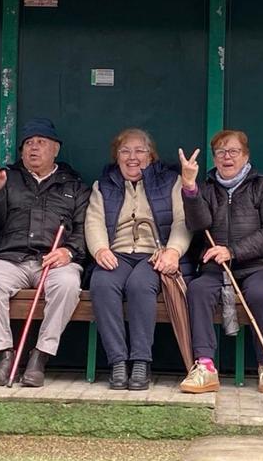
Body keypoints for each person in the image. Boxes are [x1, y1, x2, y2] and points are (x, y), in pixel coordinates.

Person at [0, 118, 89, 388]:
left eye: (41, 142)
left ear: (56, 149)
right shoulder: (7, 178)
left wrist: (69, 252)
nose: (33, 148)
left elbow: (85, 229)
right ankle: (4, 356)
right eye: (28, 143)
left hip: (53, 260)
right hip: (10, 257)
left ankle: (40, 357)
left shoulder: (74, 185)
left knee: (68, 285)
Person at [177, 130, 263, 394]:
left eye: (233, 151)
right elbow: (198, 224)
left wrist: (233, 250)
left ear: (246, 155)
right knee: (199, 290)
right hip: (217, 268)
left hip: (262, 266)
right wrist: (190, 188)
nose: (227, 157)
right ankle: (204, 366)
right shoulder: (206, 187)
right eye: (220, 152)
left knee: (259, 294)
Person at [86, 128, 192, 391]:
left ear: (151, 155)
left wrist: (173, 251)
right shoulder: (104, 184)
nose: (132, 157)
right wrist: (100, 249)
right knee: (101, 283)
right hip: (117, 253)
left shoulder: (170, 180)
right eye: (125, 151)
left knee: (140, 285)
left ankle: (141, 361)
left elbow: (182, 221)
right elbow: (94, 221)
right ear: (116, 156)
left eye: (139, 151)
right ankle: (118, 361)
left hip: (155, 254)